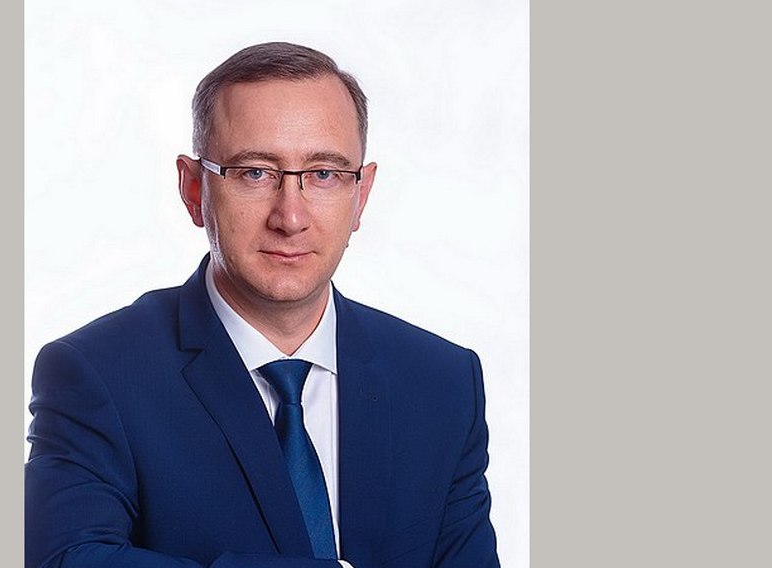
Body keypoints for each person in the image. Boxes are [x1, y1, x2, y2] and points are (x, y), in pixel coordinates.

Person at [26, 41, 499, 568]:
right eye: (255, 172)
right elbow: (66, 559)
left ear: (360, 195)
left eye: (324, 174)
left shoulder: (442, 383)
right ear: (193, 189)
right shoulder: (98, 373)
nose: (290, 217)